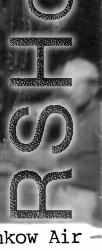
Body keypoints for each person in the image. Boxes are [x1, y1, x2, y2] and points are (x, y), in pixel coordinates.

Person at [47, 58, 101, 223]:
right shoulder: (72, 115)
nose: (72, 92)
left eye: (78, 86)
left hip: (87, 199)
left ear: (94, 88)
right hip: (64, 193)